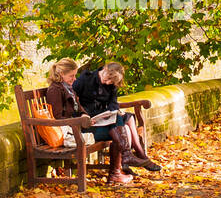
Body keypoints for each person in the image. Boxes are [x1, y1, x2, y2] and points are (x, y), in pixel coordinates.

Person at [45, 58, 131, 186]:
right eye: (72, 76)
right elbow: (58, 118)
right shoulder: (55, 90)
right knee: (119, 129)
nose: (74, 79)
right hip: (72, 133)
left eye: (75, 75)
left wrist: (85, 115)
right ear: (61, 74)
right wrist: (80, 121)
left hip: (79, 127)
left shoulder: (67, 87)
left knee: (119, 126)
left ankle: (118, 169)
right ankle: (118, 170)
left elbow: (79, 108)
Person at [72, 62, 161, 173]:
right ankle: (135, 157)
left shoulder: (111, 85)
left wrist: (113, 111)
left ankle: (134, 156)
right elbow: (72, 100)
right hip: (88, 122)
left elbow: (113, 103)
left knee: (126, 117)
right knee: (124, 124)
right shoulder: (86, 79)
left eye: (112, 82)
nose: (108, 82)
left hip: (103, 118)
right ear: (104, 69)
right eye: (108, 78)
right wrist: (84, 116)